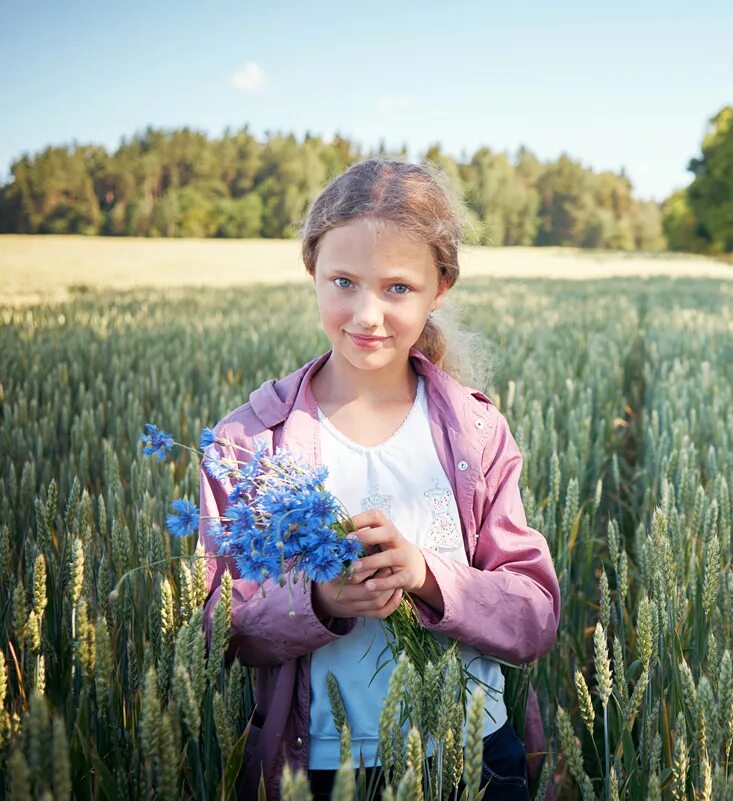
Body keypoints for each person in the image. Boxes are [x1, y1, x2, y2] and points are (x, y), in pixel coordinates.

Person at [197, 159, 560, 801]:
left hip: (474, 753)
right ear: (311, 269)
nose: (367, 313)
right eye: (344, 281)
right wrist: (319, 602)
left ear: (440, 287)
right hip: (319, 766)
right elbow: (218, 628)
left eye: (398, 288)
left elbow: (535, 616)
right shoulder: (249, 442)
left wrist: (427, 577)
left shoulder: (476, 434)